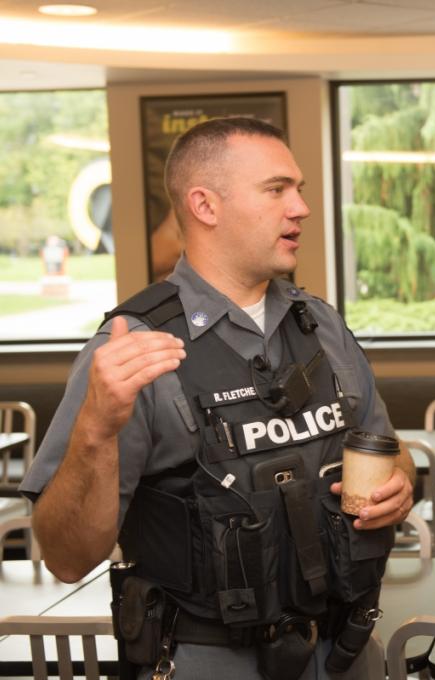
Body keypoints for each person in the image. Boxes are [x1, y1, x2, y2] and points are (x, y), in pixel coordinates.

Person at [20, 116, 415, 680]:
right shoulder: (132, 349)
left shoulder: (322, 326)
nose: (301, 207)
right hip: (207, 658)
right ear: (205, 206)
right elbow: (65, 557)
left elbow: (391, 453)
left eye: (298, 189)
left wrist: (398, 485)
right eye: (277, 190)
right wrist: (95, 430)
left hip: (346, 650)